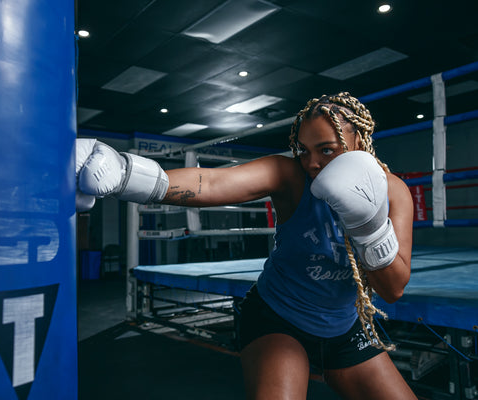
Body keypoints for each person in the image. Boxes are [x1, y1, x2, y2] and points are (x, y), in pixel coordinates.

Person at [76, 92, 417, 400]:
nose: (312, 163)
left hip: (344, 328)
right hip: (278, 319)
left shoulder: (394, 192)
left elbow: (393, 288)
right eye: (304, 151)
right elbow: (212, 182)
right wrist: (125, 174)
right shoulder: (290, 176)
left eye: (326, 150)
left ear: (359, 140)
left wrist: (369, 226)